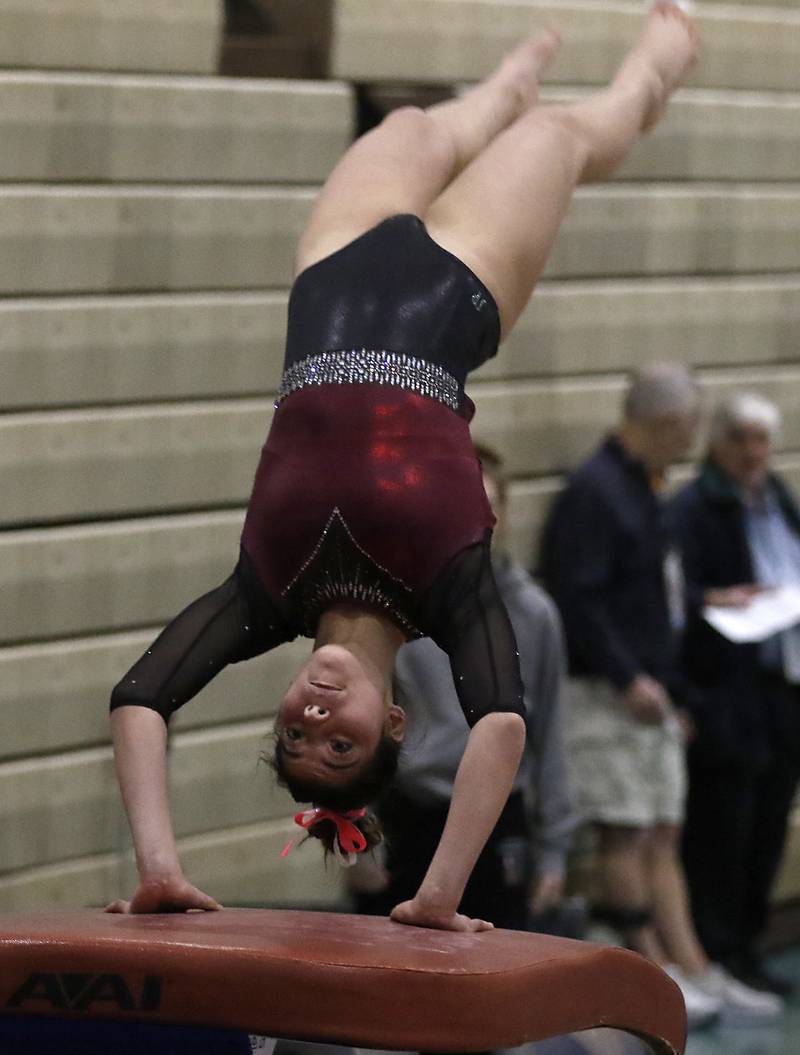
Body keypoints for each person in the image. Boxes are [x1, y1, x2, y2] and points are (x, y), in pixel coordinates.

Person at [105, 5, 698, 934]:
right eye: (338, 741)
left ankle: (506, 81)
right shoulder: (448, 593)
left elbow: (140, 698)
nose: (315, 713)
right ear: (392, 724)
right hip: (460, 283)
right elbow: (502, 725)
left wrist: (158, 866)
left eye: (294, 731)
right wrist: (438, 893)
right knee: (562, 136)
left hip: (332, 269)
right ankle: (654, 73)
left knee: (413, 126)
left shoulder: (265, 594)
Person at [539, 365, 782, 1025]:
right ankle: (652, 966)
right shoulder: (596, 492)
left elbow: (650, 591)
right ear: (666, 423)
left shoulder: (643, 487)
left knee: (664, 832)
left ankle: (695, 963)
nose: (693, 439)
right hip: (611, 694)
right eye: (690, 426)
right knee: (628, 832)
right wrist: (629, 677)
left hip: (654, 693)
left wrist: (706, 601)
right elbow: (580, 599)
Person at [350, 444, 576, 932]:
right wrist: (354, 833)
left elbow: (552, 732)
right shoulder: (390, 609)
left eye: (489, 509)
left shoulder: (535, 614)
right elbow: (353, 729)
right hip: (411, 818)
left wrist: (555, 851)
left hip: (499, 823)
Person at [672, 392, 800, 998]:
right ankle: (718, 946)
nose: (754, 453)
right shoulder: (692, 509)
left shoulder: (776, 497)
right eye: (742, 439)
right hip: (726, 689)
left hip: (782, 683)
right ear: (716, 443)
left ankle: (748, 940)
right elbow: (675, 594)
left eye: (762, 441)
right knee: (726, 826)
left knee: (771, 818)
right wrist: (712, 600)